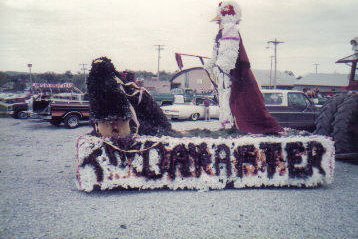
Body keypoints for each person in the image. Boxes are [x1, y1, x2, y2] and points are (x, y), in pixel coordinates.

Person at [205, 1, 282, 134]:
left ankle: (229, 124)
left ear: (226, 18)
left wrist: (220, 68)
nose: (218, 23)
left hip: (229, 73)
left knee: (228, 97)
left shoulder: (230, 30)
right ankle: (225, 123)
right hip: (222, 73)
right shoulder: (221, 33)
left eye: (219, 20)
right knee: (223, 97)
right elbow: (216, 53)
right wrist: (210, 65)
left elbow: (230, 54)